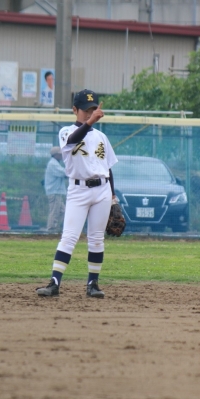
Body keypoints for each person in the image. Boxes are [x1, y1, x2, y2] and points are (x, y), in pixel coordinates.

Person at [36, 89, 118, 299]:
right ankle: (55, 283)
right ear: (74, 110)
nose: (90, 113)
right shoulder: (66, 132)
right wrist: (90, 122)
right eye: (85, 110)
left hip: (102, 189)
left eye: (93, 109)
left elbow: (108, 168)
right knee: (69, 237)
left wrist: (113, 198)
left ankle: (93, 284)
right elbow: (74, 139)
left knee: (96, 239)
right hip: (78, 190)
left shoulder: (101, 137)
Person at [44, 146, 67, 233]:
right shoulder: (53, 164)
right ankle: (51, 229)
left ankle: (57, 228)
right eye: (60, 154)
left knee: (62, 211)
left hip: (57, 191)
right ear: (55, 155)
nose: (61, 156)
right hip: (54, 192)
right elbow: (64, 173)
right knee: (54, 211)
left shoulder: (55, 163)